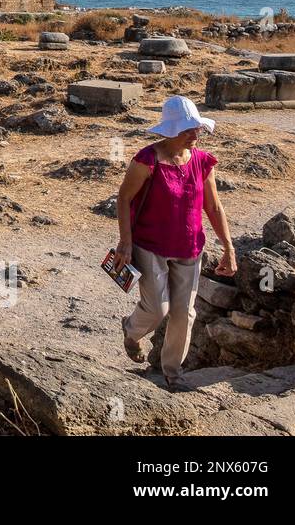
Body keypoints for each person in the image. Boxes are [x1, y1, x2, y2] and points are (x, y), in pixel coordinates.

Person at [115, 96, 235, 391]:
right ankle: (132, 331)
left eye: (196, 129)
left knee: (185, 313)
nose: (195, 135)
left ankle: (173, 373)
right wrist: (125, 243)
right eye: (188, 130)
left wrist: (229, 248)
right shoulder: (146, 160)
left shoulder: (203, 162)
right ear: (171, 132)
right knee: (158, 309)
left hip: (190, 248)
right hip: (149, 246)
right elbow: (124, 198)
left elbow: (214, 207)